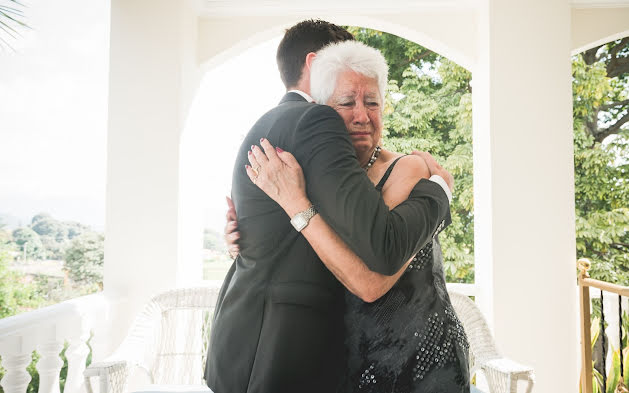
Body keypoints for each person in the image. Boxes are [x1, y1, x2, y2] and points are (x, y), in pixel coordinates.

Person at [205, 20, 453, 393]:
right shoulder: (314, 123)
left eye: (372, 102)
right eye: (346, 98)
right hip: (284, 349)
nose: (359, 114)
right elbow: (377, 247)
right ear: (316, 63)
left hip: (251, 343)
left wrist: (283, 212)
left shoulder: (268, 124)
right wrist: (440, 192)